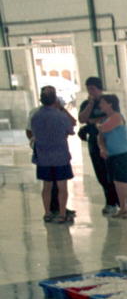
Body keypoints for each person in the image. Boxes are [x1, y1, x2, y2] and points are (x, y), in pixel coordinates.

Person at [30, 87, 75, 224]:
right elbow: (71, 130)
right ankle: (62, 213)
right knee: (62, 186)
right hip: (60, 156)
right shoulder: (60, 116)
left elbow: (33, 132)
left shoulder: (35, 116)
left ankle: (47, 212)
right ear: (55, 99)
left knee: (47, 186)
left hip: (43, 156)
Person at [78, 76, 119, 214]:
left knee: (113, 172)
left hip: (111, 140)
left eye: (93, 89)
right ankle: (110, 201)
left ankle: (120, 200)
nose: (90, 92)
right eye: (88, 89)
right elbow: (83, 119)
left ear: (99, 88)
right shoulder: (86, 103)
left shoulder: (110, 100)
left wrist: (93, 120)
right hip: (94, 141)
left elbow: (114, 116)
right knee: (101, 173)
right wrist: (90, 105)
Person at [96, 94, 127, 219]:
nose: (100, 106)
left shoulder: (117, 117)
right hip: (113, 155)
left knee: (123, 182)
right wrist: (102, 148)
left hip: (124, 154)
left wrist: (98, 126)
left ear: (110, 104)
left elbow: (103, 129)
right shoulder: (105, 119)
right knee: (117, 182)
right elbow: (100, 138)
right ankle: (123, 208)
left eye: (103, 103)